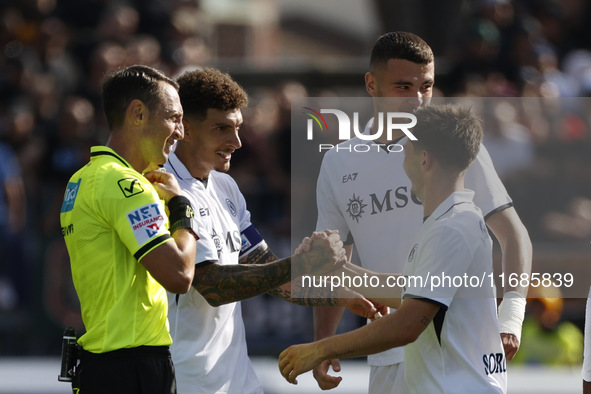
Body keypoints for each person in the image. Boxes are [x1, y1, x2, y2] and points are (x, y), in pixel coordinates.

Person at [312, 31, 532, 393]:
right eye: (403, 86)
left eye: (426, 86)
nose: (417, 99)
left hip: (460, 349)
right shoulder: (338, 162)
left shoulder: (455, 147)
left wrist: (512, 314)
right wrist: (323, 343)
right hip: (386, 351)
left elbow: (513, 234)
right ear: (371, 84)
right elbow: (332, 262)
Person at [165, 67, 376, 394]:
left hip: (237, 380)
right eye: (221, 128)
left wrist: (334, 293)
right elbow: (212, 285)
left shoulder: (226, 187)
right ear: (185, 128)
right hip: (182, 379)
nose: (235, 142)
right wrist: (303, 264)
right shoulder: (162, 188)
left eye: (237, 128)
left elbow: (263, 266)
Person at [280, 104, 508, 394]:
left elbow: (408, 324)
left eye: (407, 147)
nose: (401, 153)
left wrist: (320, 349)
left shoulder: (452, 229)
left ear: (424, 160)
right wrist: (335, 268)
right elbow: (406, 290)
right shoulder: (449, 221)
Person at [59, 64, 199, 394]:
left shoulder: (82, 179)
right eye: (174, 117)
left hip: (101, 364)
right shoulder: (125, 184)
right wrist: (181, 208)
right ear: (137, 113)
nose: (180, 131)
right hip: (133, 369)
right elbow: (180, 275)